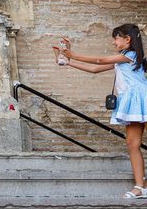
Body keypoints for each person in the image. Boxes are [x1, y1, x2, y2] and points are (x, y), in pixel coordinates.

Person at [59, 24, 147, 199]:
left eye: (116, 38)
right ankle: (140, 187)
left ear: (127, 39)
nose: (114, 42)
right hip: (133, 102)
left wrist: (73, 54)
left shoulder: (130, 55)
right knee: (132, 144)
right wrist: (70, 62)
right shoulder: (122, 58)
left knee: (133, 143)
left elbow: (99, 60)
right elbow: (95, 69)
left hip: (141, 99)